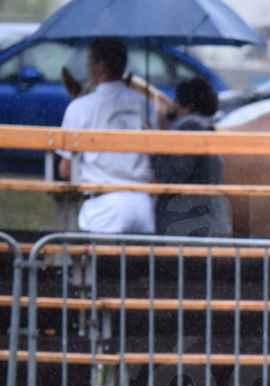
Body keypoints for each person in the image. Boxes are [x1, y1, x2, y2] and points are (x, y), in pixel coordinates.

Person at [57, 37, 155, 234]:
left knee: (101, 264)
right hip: (143, 206)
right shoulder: (145, 105)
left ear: (99, 67)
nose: (88, 68)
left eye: (89, 62)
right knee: (139, 265)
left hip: (103, 208)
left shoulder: (78, 107)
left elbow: (66, 170)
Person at [151, 77, 231, 237]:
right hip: (207, 225)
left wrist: (155, 142)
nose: (171, 105)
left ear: (187, 105)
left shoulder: (189, 128)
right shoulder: (207, 127)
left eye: (176, 101)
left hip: (189, 229)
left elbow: (170, 177)